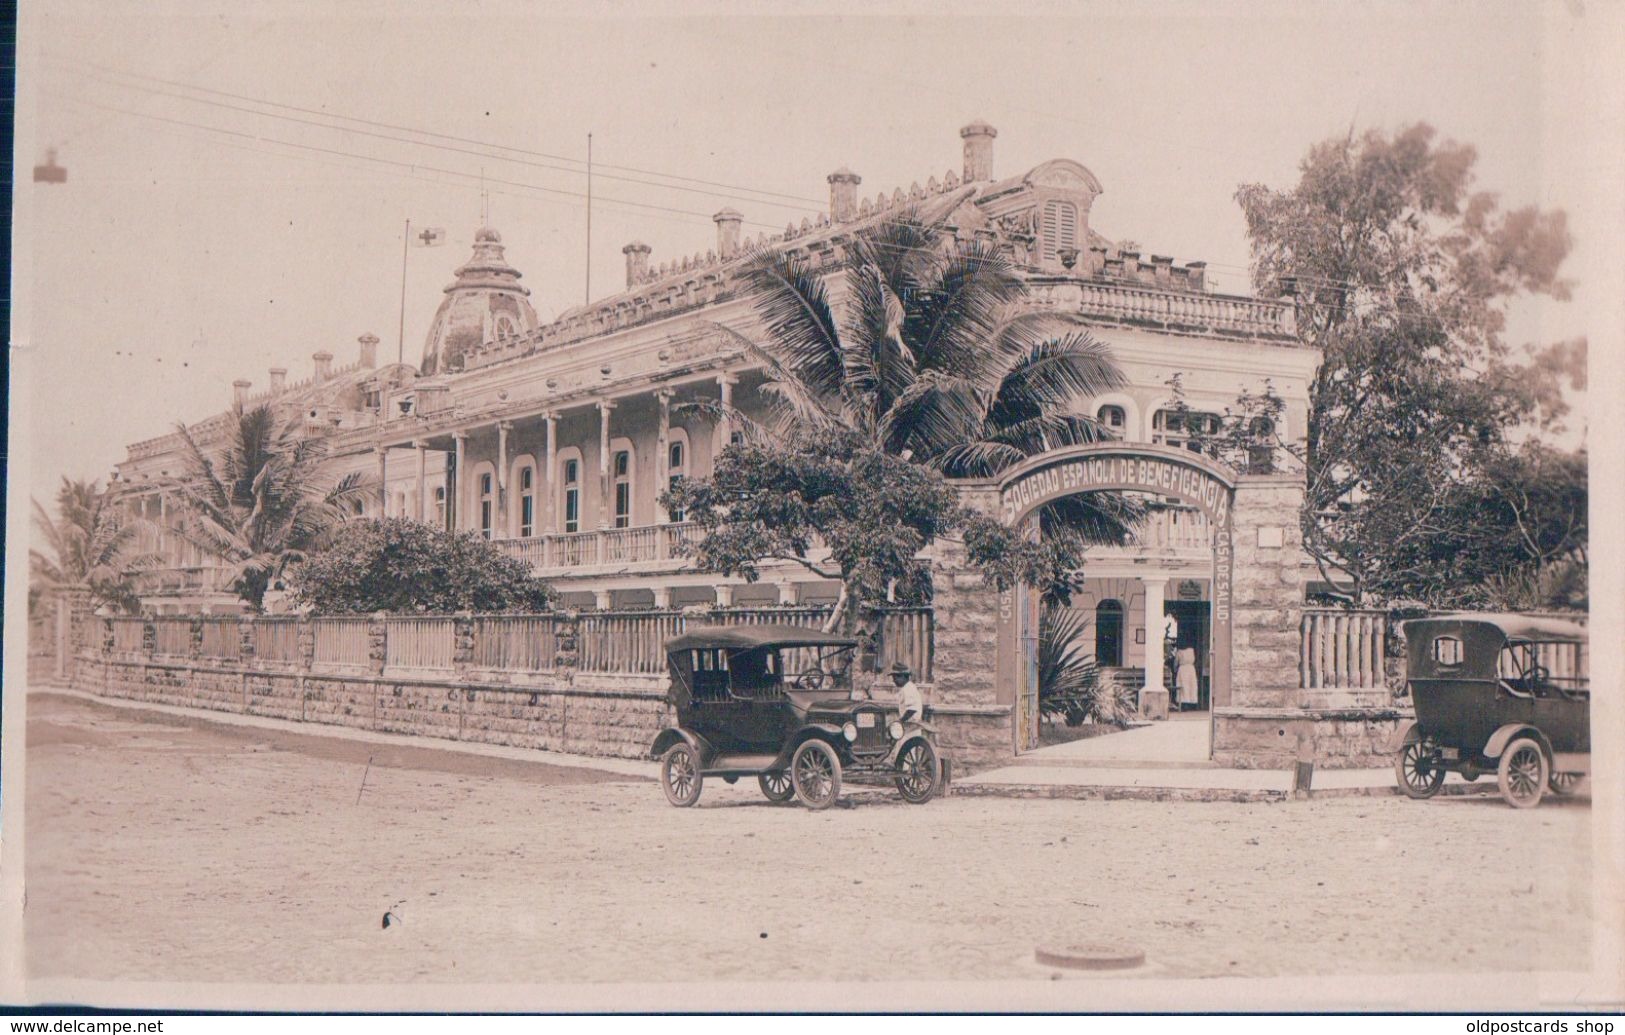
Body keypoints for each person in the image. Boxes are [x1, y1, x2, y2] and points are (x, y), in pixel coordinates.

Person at [1175, 645, 1199, 710]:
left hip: (1183, 669)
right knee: (1191, 686)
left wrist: (1175, 669)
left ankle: (1183, 702)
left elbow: (1175, 663)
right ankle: (1191, 703)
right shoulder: (1192, 650)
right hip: (1191, 669)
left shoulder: (1179, 652)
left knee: (1183, 685)